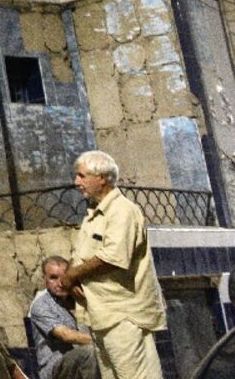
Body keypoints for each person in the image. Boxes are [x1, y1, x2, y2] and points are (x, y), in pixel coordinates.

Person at [59, 151, 165, 379]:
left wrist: (71, 277)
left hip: (123, 316)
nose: (76, 182)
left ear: (102, 178)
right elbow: (81, 255)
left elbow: (112, 257)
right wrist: (72, 278)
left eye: (82, 175)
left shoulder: (122, 211)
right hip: (102, 314)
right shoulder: (94, 214)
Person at [28, 256, 96, 379]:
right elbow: (66, 335)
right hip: (56, 368)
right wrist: (103, 342)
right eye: (53, 278)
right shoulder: (41, 305)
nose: (60, 283)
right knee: (89, 352)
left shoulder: (80, 301)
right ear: (45, 280)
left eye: (64, 276)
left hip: (85, 363)